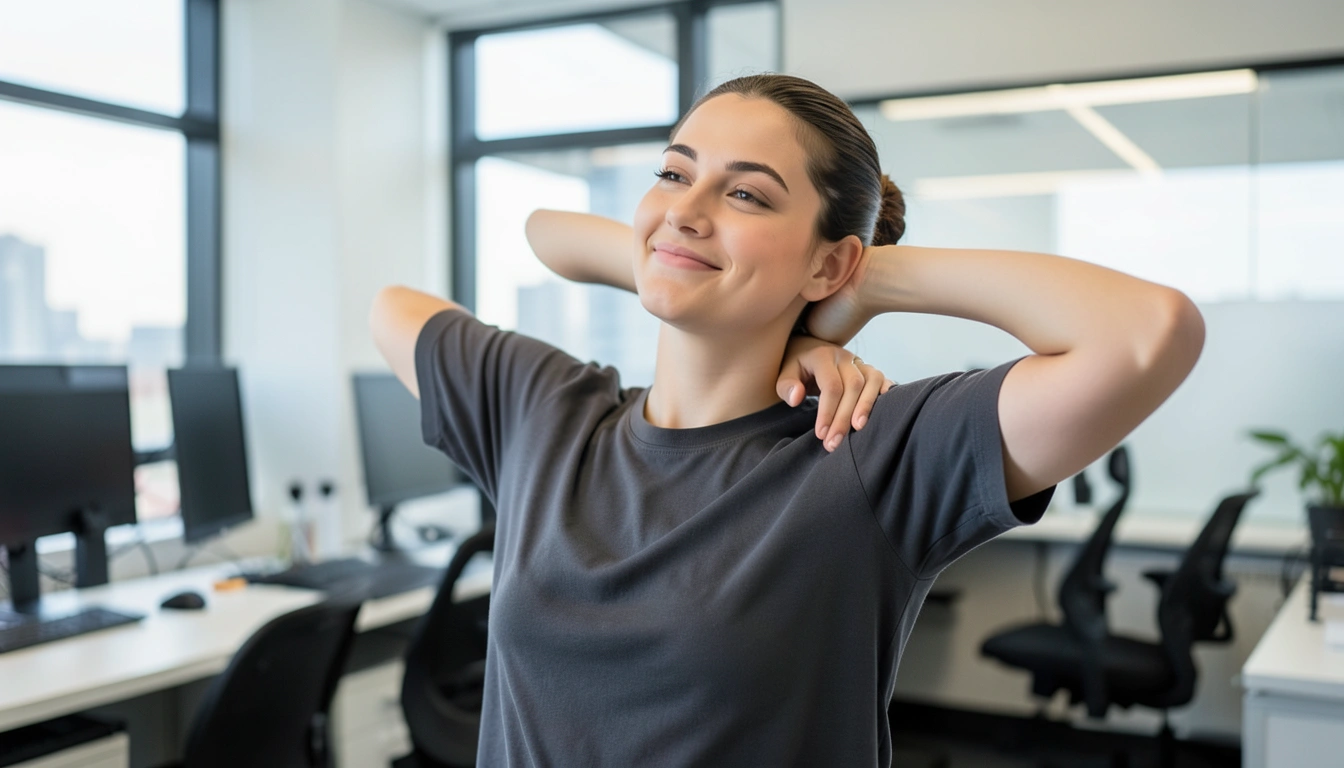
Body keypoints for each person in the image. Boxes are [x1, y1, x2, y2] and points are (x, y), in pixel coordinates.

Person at [370, 74, 1205, 767]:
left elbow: (1149, 333)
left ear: (830, 260)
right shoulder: (547, 412)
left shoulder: (866, 450)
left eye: (745, 193)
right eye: (673, 173)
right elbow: (466, 271)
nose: (688, 206)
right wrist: (692, 262)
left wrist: (867, 284)